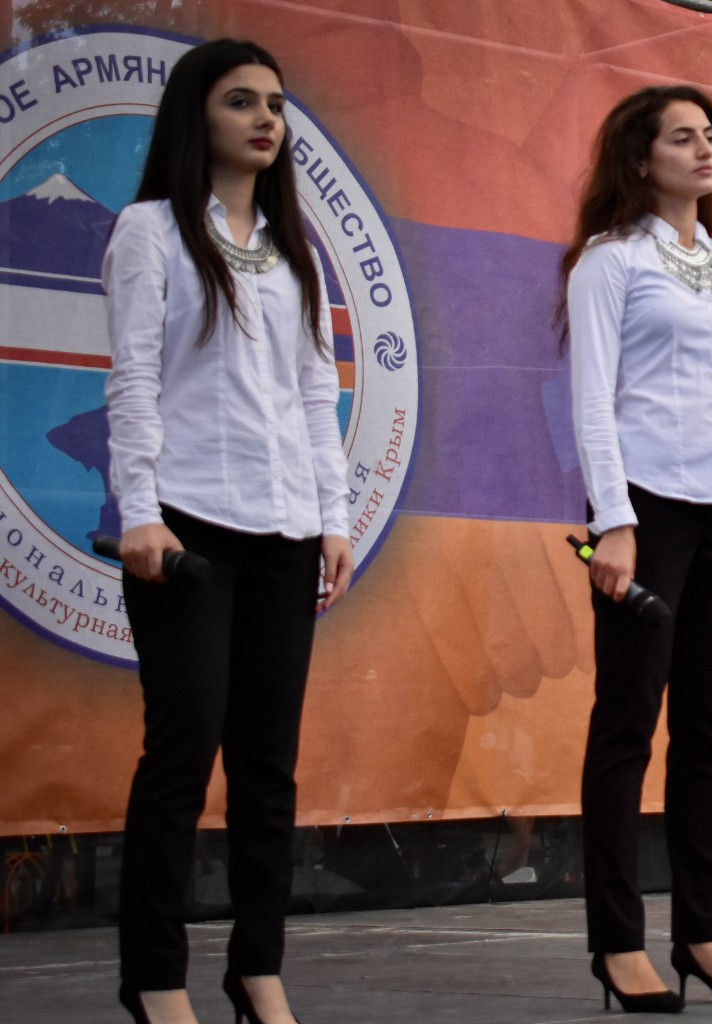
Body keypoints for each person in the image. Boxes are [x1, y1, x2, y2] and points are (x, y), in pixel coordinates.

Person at [102, 39, 352, 1024]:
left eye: (275, 105)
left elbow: (315, 393)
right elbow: (133, 378)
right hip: (188, 530)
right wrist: (139, 511)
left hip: (287, 530)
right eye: (241, 101)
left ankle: (257, 970)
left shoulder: (295, 249)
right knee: (181, 754)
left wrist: (333, 519)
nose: (265, 120)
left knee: (267, 767)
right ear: (195, 115)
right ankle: (155, 980)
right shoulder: (150, 231)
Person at [564, 84, 712, 1011]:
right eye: (682, 137)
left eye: (711, 136)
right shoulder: (609, 260)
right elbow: (591, 399)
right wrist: (613, 521)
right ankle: (618, 944)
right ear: (639, 157)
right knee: (626, 726)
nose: (705, 150)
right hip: (646, 513)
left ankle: (702, 933)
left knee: (707, 733)